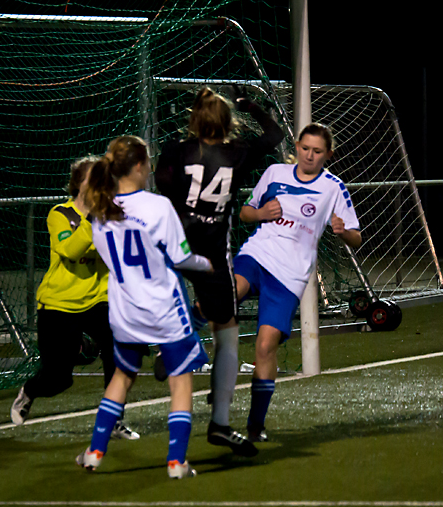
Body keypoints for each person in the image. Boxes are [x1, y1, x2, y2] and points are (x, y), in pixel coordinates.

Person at [75, 135, 214, 479]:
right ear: (138, 166)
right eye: (147, 162)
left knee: (122, 377)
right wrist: (208, 264)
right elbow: (181, 258)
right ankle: (176, 461)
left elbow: (110, 260)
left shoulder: (101, 213)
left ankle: (94, 452)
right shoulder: (158, 206)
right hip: (163, 308)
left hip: (125, 310)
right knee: (180, 381)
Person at [154, 85, 283, 454]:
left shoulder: (175, 152)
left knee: (186, 311)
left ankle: (170, 347)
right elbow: (273, 136)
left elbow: (165, 186)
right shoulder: (237, 154)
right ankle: (221, 422)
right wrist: (251, 105)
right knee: (226, 334)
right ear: (228, 122)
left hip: (174, 249)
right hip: (211, 257)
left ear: (193, 120)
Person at [233, 123, 362, 442]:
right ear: (297, 145)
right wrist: (261, 213)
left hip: (290, 275)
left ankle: (255, 426)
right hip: (258, 253)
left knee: (265, 347)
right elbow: (245, 213)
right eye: (305, 148)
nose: (309, 155)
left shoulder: (334, 187)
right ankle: (182, 346)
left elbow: (356, 237)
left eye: (317, 151)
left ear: (328, 154)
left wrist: (342, 230)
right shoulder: (276, 173)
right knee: (230, 292)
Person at [10, 155, 139, 441]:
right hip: (59, 304)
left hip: (97, 300)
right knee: (58, 379)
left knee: (118, 348)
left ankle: (114, 418)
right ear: (80, 184)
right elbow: (70, 250)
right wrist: (94, 216)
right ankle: (30, 390)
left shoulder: (111, 215)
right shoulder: (60, 214)